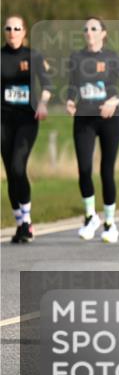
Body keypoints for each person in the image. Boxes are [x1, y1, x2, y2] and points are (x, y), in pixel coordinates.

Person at [69, 17, 119, 244]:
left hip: (109, 120)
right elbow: (72, 85)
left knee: (106, 171)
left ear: (103, 33)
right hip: (84, 119)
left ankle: (110, 223)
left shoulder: (112, 58)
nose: (89, 32)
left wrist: (115, 100)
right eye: (86, 29)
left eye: (94, 28)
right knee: (84, 169)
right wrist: (70, 101)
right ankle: (90, 218)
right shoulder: (76, 58)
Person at [2, 15, 53, 243]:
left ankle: (27, 221)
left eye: (17, 28)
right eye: (8, 28)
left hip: (26, 120)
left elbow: (48, 84)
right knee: (10, 173)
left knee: (18, 166)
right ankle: (20, 224)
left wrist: (43, 102)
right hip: (3, 120)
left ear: (24, 33)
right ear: (4, 32)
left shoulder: (33, 56)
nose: (12, 32)